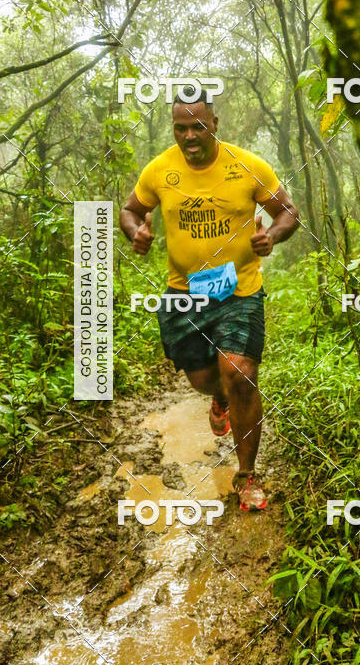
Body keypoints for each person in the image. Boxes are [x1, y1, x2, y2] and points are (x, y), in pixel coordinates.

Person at [119, 89, 299, 511]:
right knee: (202, 380)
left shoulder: (247, 166)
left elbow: (288, 210)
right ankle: (219, 399)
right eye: (180, 128)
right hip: (184, 294)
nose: (189, 136)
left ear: (214, 123)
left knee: (239, 373)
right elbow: (129, 210)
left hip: (240, 290)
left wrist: (270, 236)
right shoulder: (159, 170)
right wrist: (135, 232)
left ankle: (247, 476)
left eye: (197, 126)